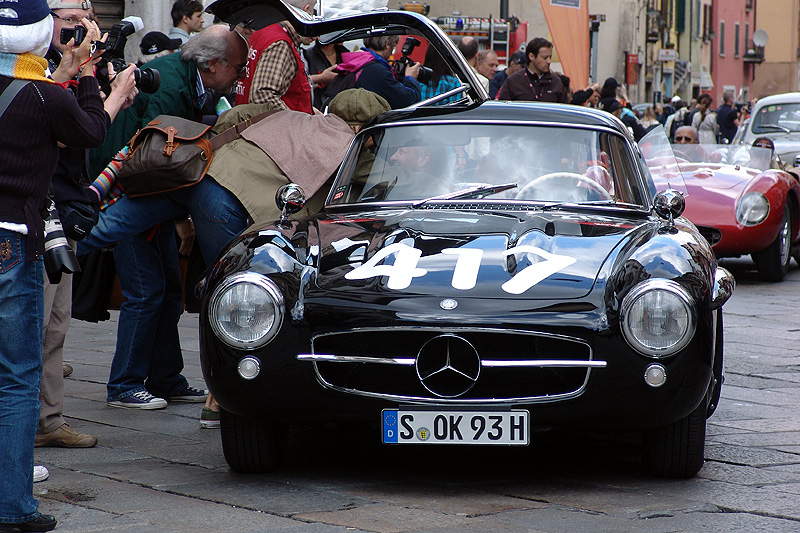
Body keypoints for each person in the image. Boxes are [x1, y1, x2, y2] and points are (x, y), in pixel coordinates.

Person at [77, 89, 392, 426]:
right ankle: (219, 402)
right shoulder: (350, 144)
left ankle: (45, 247)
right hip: (222, 198)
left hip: (193, 172)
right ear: (365, 128)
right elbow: (376, 187)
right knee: (230, 293)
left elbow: (232, 118)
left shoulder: (292, 117)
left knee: (100, 228)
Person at [87, 24, 248, 410]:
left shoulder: (188, 78)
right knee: (145, 291)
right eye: (238, 68)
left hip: (149, 191)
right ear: (212, 64)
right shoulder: (174, 85)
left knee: (168, 289)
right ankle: (124, 385)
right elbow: (158, 154)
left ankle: (166, 377)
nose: (241, 77)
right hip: (130, 190)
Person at [0, 1, 106, 530]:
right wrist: (87, 76)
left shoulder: (36, 91)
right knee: (16, 377)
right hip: (12, 241)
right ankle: (13, 507)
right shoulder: (41, 97)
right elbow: (91, 130)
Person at [35, 0, 138, 450]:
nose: (76, 28)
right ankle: (29, 426)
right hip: (34, 215)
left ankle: (47, 421)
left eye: (84, 20)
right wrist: (110, 96)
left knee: (56, 326)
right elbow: (75, 132)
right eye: (68, 19)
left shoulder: (71, 71)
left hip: (64, 215)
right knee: (33, 326)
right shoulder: (33, 70)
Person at [234, 0, 315, 112]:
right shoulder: (280, 43)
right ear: (305, 11)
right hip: (276, 128)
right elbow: (263, 96)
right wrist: (297, 121)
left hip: (250, 124)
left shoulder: (262, 31)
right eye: (314, 11)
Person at [355, 35, 421, 109]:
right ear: (387, 44)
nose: (391, 54)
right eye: (393, 48)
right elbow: (409, 102)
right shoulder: (377, 71)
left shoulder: (359, 61)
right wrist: (410, 77)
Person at [497, 37, 567, 103]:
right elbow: (503, 110)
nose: (549, 61)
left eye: (550, 57)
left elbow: (564, 110)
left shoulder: (556, 83)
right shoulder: (513, 81)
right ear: (531, 56)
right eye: (545, 58)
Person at [303, 37, 347, 110]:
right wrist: (321, 79)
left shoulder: (344, 53)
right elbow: (303, 81)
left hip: (341, 105)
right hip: (318, 105)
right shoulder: (309, 55)